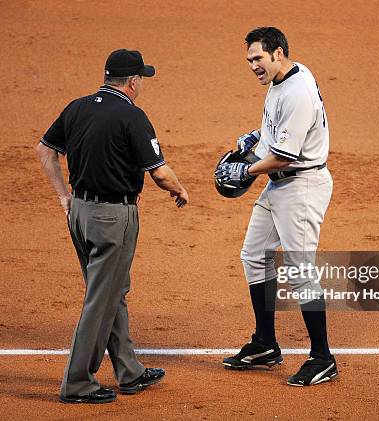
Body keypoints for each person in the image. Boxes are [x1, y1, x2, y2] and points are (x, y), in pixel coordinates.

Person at [36, 49, 189, 404]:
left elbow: (45, 149)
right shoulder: (132, 117)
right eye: (141, 80)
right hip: (112, 219)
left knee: (110, 291)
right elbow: (160, 174)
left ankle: (129, 372)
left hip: (79, 214)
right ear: (133, 82)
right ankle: (77, 382)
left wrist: (64, 197)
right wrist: (180, 189)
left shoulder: (77, 106)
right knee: (100, 299)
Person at [215, 27, 337, 386]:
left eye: (258, 58)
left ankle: (322, 357)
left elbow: (284, 155)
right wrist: (257, 136)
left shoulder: (296, 92)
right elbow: (277, 131)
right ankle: (266, 343)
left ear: (278, 53)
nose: (253, 65)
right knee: (254, 255)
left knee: (300, 272)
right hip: (280, 187)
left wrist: (245, 169)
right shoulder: (284, 77)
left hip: (302, 188)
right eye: (249, 60)